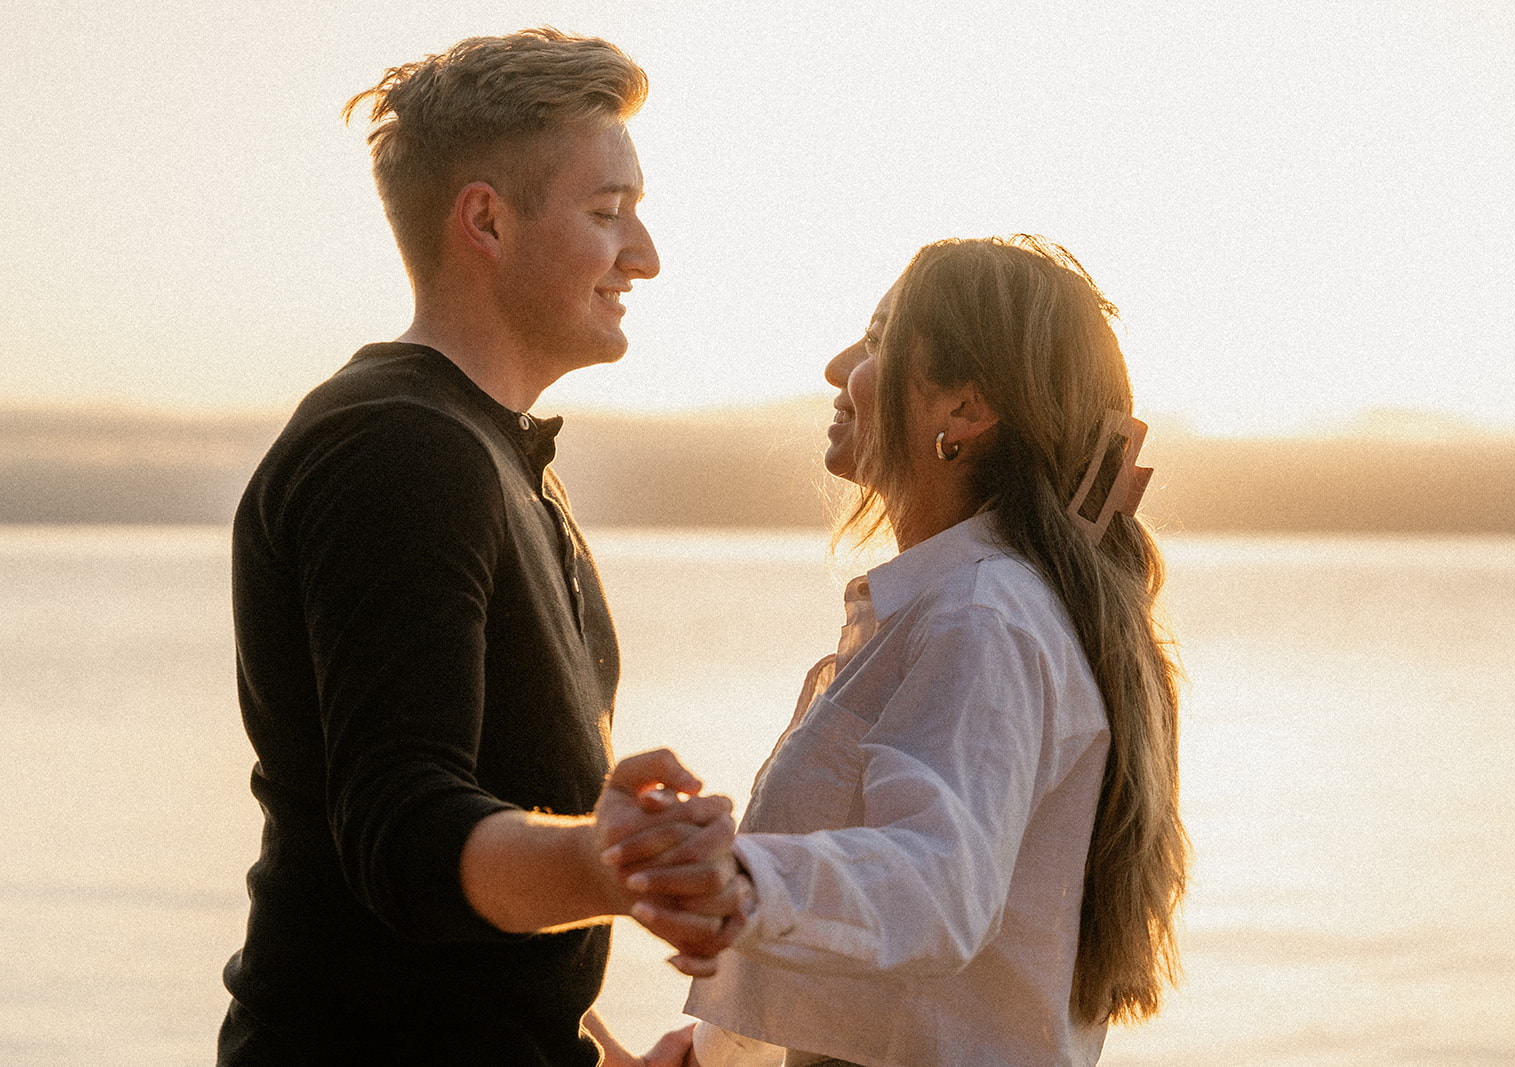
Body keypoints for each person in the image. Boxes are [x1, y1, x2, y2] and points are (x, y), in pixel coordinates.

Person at [219, 29, 744, 1066]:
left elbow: (468, 920)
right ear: (487, 221)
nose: (643, 255)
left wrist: (593, 1050)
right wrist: (611, 867)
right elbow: (406, 836)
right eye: (607, 214)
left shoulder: (493, 454)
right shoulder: (399, 448)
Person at [618, 235, 1190, 1065]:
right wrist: (715, 1053)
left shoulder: (983, 615)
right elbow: (916, 988)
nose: (836, 366)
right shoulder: (968, 607)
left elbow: (934, 884)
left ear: (965, 409)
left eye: (880, 341)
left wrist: (735, 880)